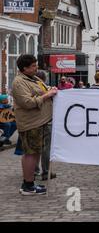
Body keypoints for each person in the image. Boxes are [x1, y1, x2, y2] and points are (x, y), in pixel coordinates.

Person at [11, 54, 58, 195]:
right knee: (30, 154)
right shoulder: (19, 82)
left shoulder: (33, 78)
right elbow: (28, 103)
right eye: (33, 66)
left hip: (40, 121)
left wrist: (50, 90)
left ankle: (30, 183)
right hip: (31, 123)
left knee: (35, 152)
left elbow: (43, 90)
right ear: (24, 68)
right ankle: (27, 185)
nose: (36, 67)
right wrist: (47, 95)